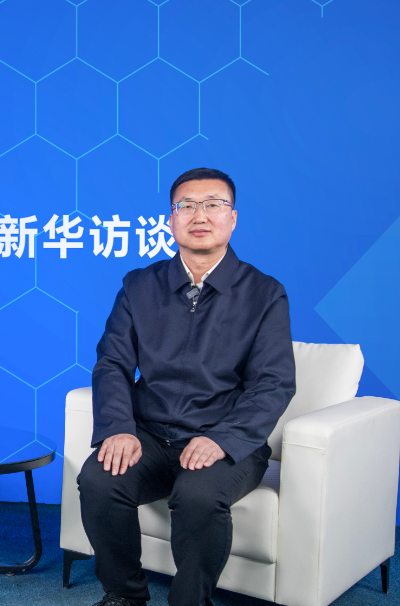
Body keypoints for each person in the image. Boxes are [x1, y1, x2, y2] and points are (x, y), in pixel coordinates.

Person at [77, 168, 296, 606]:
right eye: (187, 206)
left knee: (199, 495)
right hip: (151, 435)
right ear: (171, 219)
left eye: (214, 204)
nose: (200, 215)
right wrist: (118, 428)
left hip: (225, 441)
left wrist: (223, 439)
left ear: (232, 217)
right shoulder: (139, 285)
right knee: (99, 480)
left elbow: (274, 384)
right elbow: (112, 363)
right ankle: (124, 595)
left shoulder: (265, 294)